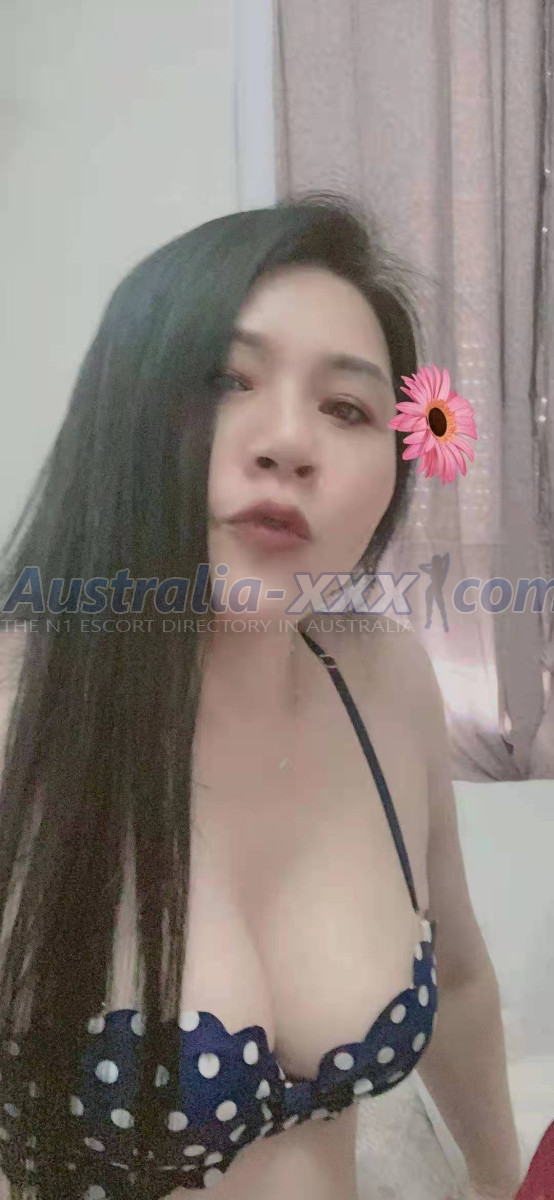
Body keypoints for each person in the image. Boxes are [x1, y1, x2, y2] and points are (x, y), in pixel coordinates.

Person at [0, 194, 522, 1199]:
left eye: (347, 409)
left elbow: (456, 980)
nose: (289, 442)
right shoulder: (17, 711)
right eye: (225, 379)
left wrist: (509, 1185)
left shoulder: (385, 676)